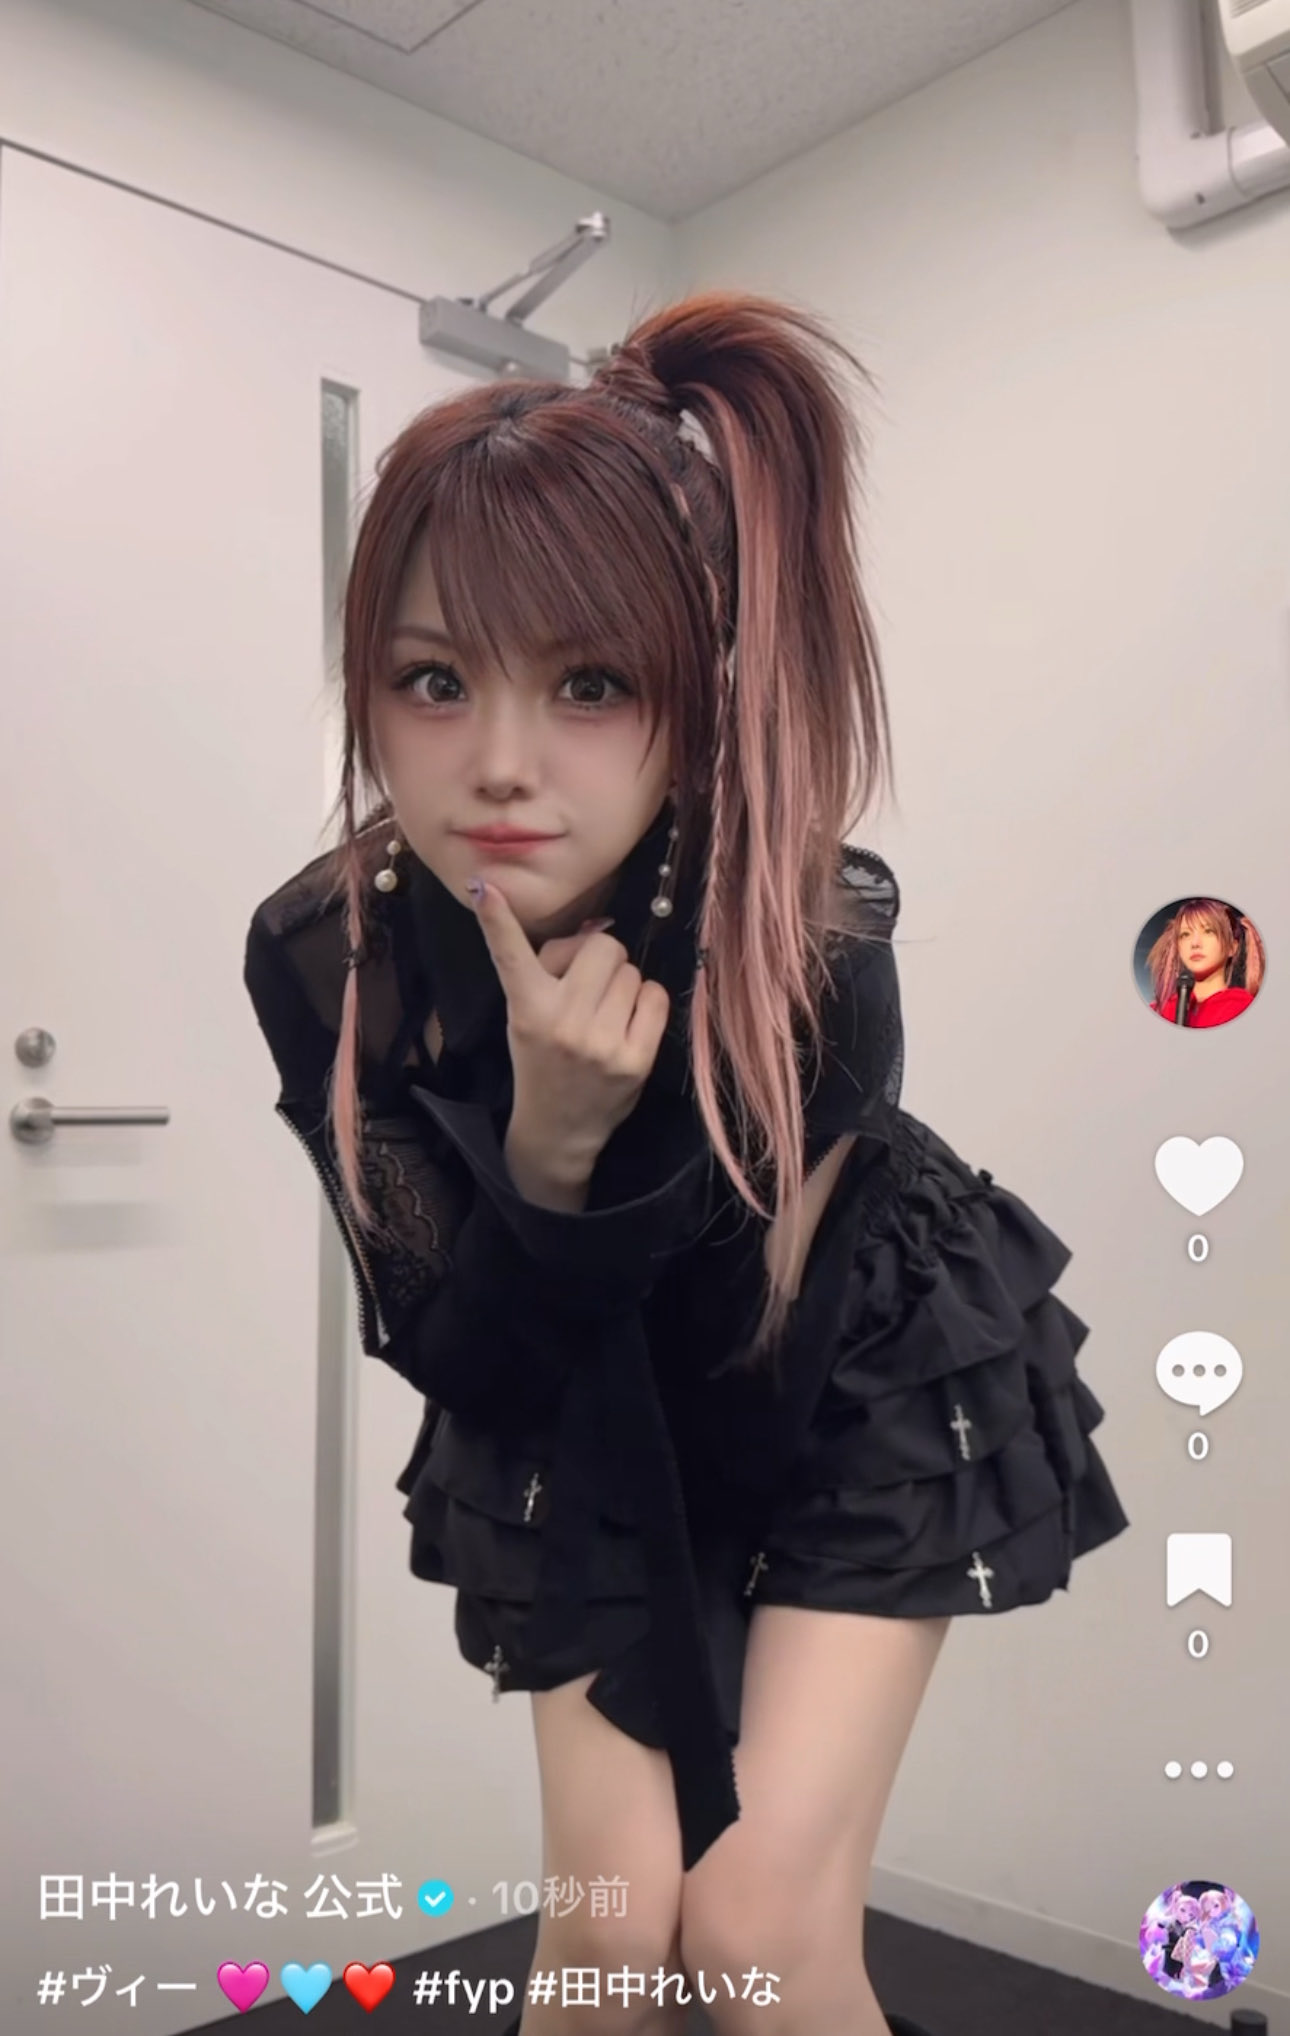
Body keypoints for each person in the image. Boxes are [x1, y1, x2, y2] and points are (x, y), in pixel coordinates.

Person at [244, 290, 1129, 2036]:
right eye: (432, 680)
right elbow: (465, 1358)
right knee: (605, 1943)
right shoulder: (331, 954)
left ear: (691, 697)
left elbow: (754, 1359)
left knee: (751, 1938)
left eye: (590, 683)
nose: (500, 764)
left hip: (846, 1363)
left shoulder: (806, 937)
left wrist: (711, 1719)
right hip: (564, 1391)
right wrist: (549, 1145)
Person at [1147, 899, 1264, 1027]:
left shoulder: (1243, 1009)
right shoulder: (1160, 1011)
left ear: (1232, 947)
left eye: (1208, 931)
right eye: (1185, 934)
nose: (1195, 943)